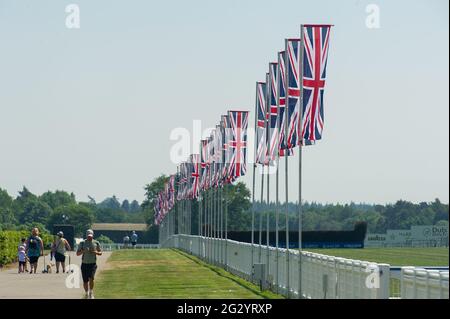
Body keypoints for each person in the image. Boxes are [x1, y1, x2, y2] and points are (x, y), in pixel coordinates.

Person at [76, 229, 102, 299]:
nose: (89, 237)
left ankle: (91, 292)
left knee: (91, 278)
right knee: (85, 281)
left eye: (90, 236)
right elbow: (77, 253)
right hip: (84, 264)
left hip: (92, 264)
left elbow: (100, 253)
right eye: (88, 236)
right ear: (86, 236)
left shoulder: (96, 243)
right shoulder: (82, 243)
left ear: (92, 235)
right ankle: (86, 293)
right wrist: (83, 251)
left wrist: (94, 252)